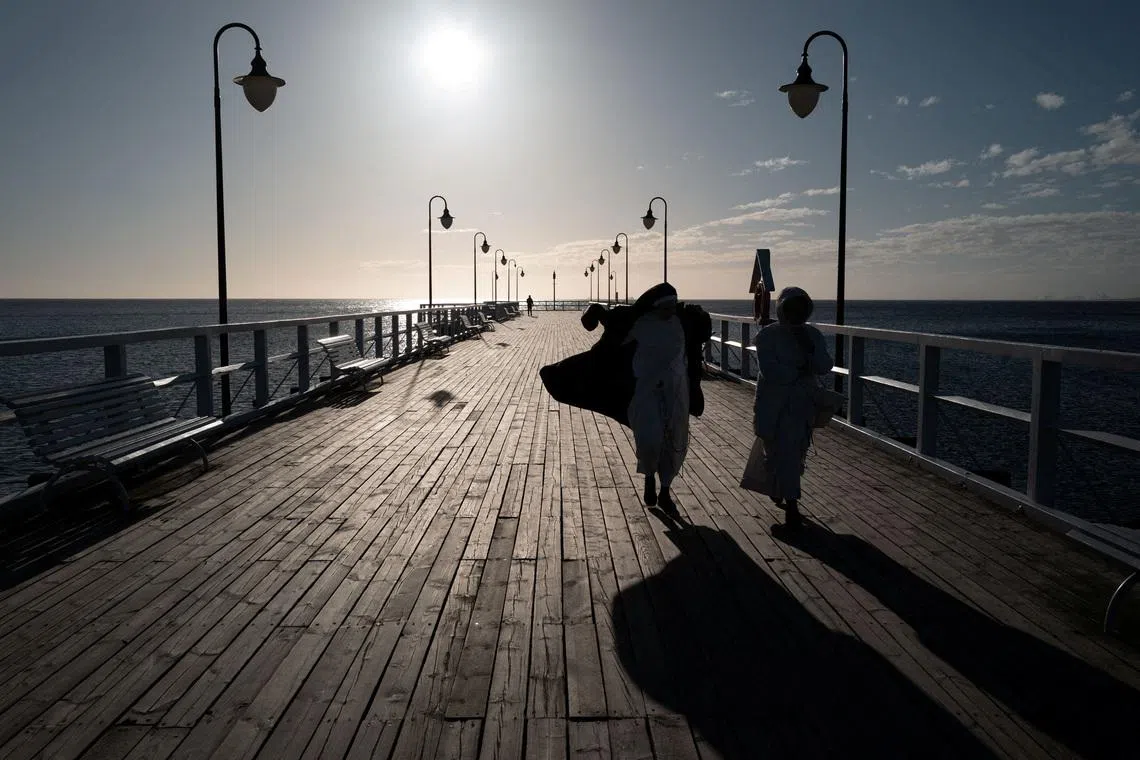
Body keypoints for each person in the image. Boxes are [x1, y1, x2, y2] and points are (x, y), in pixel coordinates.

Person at [752, 287, 833, 527]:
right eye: (792, 309)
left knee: (795, 453)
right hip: (774, 403)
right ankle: (787, 496)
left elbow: (824, 366)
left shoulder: (813, 335)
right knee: (777, 452)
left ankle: (789, 500)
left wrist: (810, 349)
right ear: (782, 310)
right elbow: (769, 369)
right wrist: (798, 371)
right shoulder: (768, 336)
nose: (797, 314)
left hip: (800, 405)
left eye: (802, 310)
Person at [623, 284, 690, 516]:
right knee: (650, 437)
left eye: (673, 306)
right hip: (648, 389)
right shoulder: (642, 325)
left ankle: (665, 489)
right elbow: (619, 342)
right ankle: (650, 476)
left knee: (674, 439)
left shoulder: (680, 325)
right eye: (666, 306)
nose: (670, 310)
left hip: (676, 391)